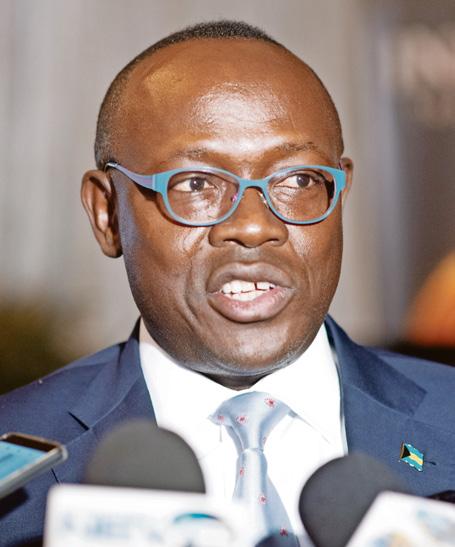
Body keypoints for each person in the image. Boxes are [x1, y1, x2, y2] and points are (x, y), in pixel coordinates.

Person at [1, 20, 454, 547]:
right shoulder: (17, 467)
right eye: (195, 183)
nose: (254, 227)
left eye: (299, 180)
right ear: (107, 213)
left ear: (340, 196)